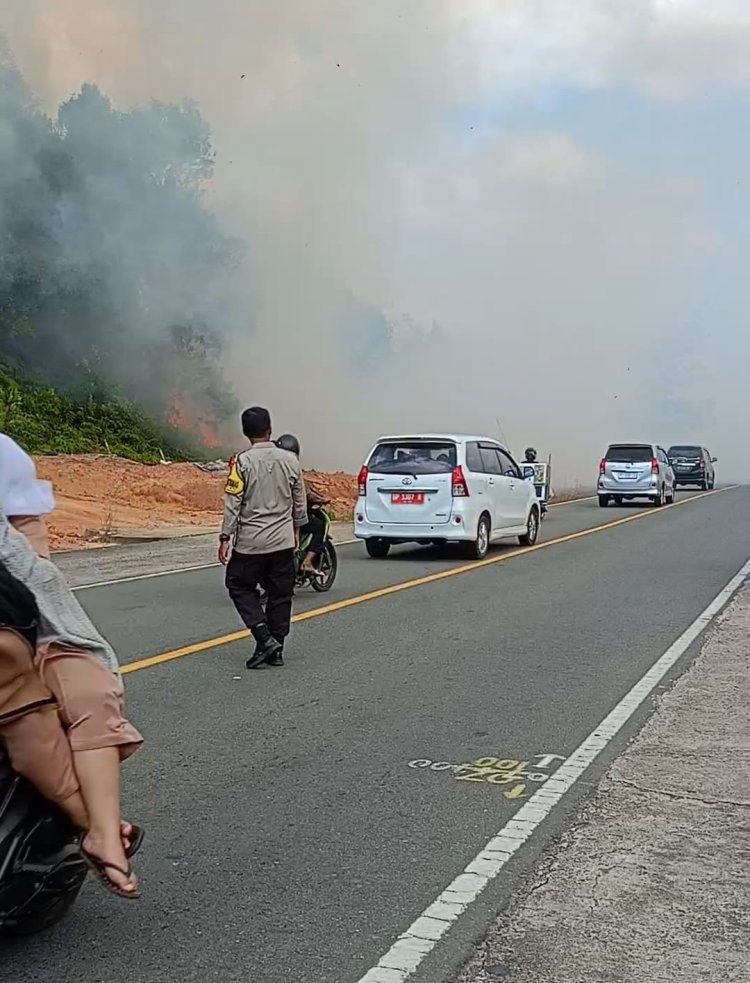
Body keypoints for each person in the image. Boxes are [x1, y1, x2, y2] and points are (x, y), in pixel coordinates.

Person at [0, 434, 143, 899]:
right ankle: (97, 827)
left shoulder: (15, 538)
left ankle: (98, 828)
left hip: (18, 599)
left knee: (73, 687)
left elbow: (35, 580)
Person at [219, 407, 307, 670]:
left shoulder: (241, 463)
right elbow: (299, 502)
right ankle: (275, 647)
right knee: (280, 594)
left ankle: (264, 638)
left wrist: (225, 536)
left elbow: (233, 503)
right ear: (270, 428)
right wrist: (296, 529)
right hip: (282, 541)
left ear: (246, 433)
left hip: (251, 543)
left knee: (238, 584)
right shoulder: (291, 460)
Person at [275, 433, 329, 577]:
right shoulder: (293, 469)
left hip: (269, 519)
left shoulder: (269, 468)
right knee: (319, 526)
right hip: (289, 519)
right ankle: (307, 562)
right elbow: (302, 496)